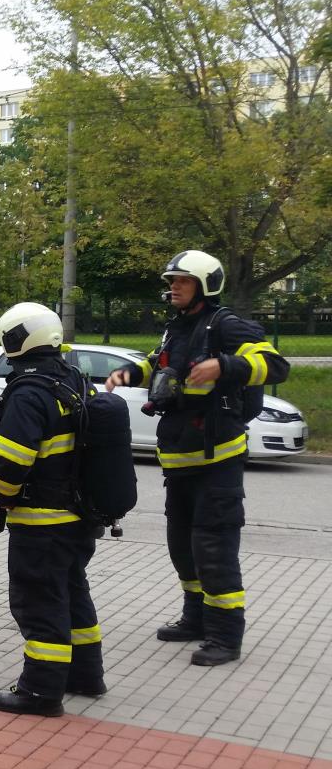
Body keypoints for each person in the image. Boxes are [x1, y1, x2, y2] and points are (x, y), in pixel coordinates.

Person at [107, 250, 289, 666]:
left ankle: (225, 636)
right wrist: (128, 375)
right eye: (172, 280)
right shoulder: (178, 328)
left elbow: (275, 364)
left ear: (205, 286)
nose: (173, 287)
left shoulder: (225, 325)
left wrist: (225, 366)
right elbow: (160, 367)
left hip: (216, 464)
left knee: (214, 550)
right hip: (179, 463)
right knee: (183, 548)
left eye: (182, 281)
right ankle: (195, 619)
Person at [0, 303, 104, 717]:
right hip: (78, 516)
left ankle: (40, 690)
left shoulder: (29, 392)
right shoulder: (72, 379)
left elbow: (13, 464)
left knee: (38, 601)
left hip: (41, 520)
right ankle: (86, 675)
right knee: (72, 594)